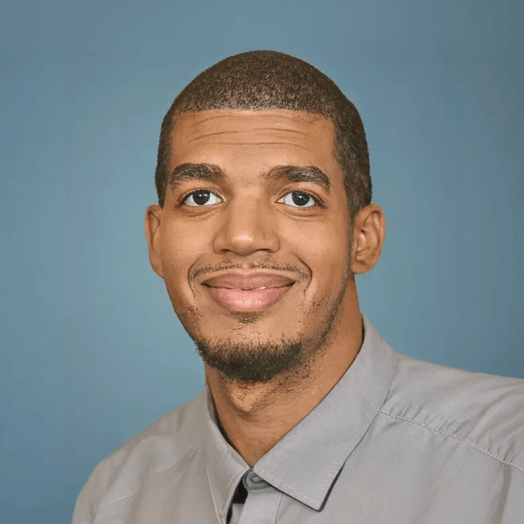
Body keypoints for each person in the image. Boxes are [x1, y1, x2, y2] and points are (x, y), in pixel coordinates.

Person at [72, 50, 524, 524]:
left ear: (363, 239)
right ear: (156, 239)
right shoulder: (114, 499)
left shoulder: (509, 468)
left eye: (299, 198)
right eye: (201, 197)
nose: (242, 237)